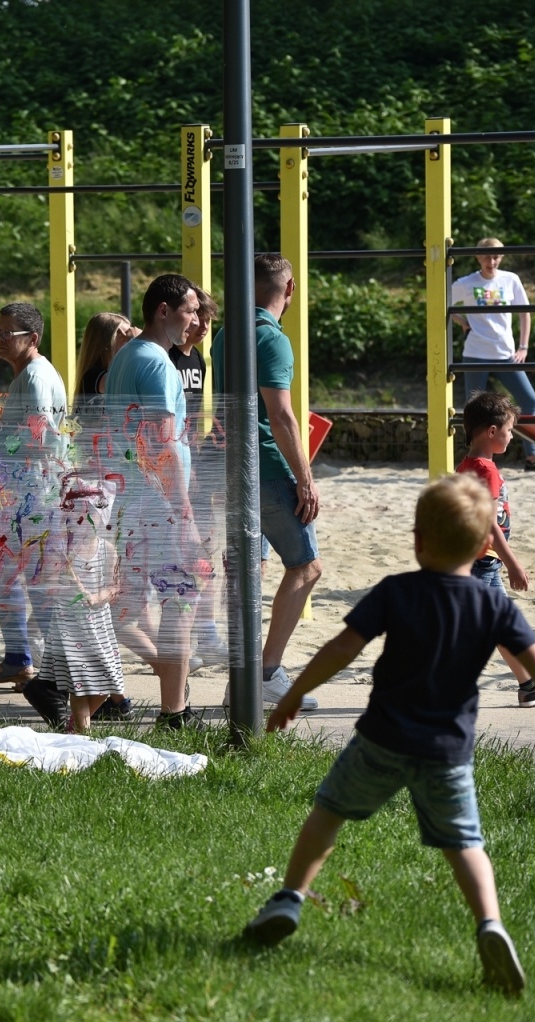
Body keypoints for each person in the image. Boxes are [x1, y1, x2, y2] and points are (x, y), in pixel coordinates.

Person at [243, 475, 535, 997]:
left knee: (328, 813)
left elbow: (342, 648)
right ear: (483, 548)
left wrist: (293, 696)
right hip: (447, 753)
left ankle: (290, 897)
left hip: (380, 741)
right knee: (465, 844)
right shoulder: (491, 605)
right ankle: (490, 924)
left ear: (417, 540)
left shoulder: (397, 592)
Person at [211, 254, 321, 709]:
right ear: (289, 289)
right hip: (270, 467)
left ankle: (242, 679)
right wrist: (306, 478)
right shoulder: (272, 340)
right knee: (305, 567)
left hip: (231, 464)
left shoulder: (224, 335)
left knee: (246, 573)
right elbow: (281, 415)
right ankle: (266, 672)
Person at [104, 274, 200, 730]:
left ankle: (166, 694)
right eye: (190, 310)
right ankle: (173, 712)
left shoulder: (125, 357)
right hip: (159, 503)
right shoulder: (159, 365)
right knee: (180, 600)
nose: (196, 320)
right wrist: (183, 513)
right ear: (164, 311)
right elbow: (162, 443)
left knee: (136, 603)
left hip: (130, 499)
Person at [0, 301, 68, 689]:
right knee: (11, 576)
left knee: (26, 579)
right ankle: (22, 658)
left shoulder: (33, 378)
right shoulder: (30, 376)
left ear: (32, 338)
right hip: (27, 495)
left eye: (6, 334)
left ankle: (47, 666)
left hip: (31, 498)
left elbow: (43, 440)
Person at [458, 392, 535, 706]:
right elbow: (490, 526)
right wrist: (513, 564)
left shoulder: (467, 465)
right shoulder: (486, 471)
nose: (510, 436)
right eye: (508, 430)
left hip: (478, 562)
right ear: (491, 432)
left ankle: (528, 684)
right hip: (482, 563)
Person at [451, 238, 535, 472]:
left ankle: (532, 457)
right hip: (476, 354)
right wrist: (462, 322)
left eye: (497, 256)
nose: (492, 261)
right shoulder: (466, 283)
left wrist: (523, 347)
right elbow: (440, 304)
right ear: (478, 257)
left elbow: (525, 313)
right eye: (488, 256)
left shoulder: (511, 279)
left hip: (505, 354)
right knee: (474, 410)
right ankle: (475, 460)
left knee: (529, 400)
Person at [169, 286, 228, 663]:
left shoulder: (198, 362)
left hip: (196, 458)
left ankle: (205, 631)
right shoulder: (169, 356)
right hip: (174, 462)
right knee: (180, 553)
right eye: (200, 318)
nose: (204, 327)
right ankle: (185, 638)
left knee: (207, 549)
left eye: (209, 320)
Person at [47, 477, 128, 732]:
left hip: (99, 627)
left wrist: (98, 596)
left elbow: (115, 586)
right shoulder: (63, 548)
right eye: (76, 512)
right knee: (79, 683)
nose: (81, 519)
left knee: (109, 682)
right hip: (70, 627)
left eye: (88, 512)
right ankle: (82, 734)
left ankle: (72, 728)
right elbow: (49, 582)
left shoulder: (107, 550)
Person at [74, 312, 139, 405]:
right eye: (125, 337)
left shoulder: (113, 372)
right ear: (108, 341)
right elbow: (124, 381)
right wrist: (137, 344)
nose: (128, 344)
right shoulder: (92, 375)